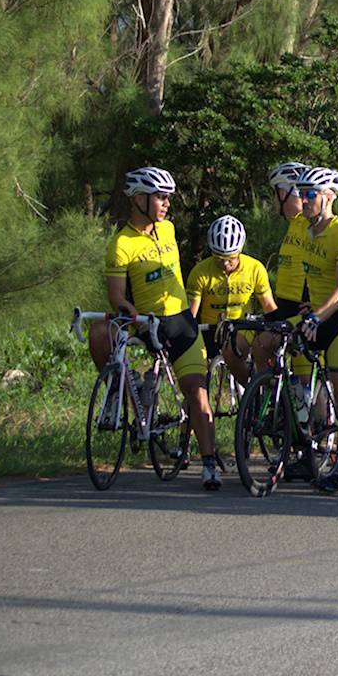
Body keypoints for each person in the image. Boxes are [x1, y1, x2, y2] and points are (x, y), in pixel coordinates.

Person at [91, 168, 217, 489]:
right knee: (99, 333)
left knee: (196, 391)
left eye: (168, 198)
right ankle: (120, 385)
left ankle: (209, 464)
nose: (166, 204)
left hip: (180, 323)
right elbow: (117, 297)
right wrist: (139, 322)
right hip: (144, 321)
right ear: (139, 199)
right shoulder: (121, 244)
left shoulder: (169, 229)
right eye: (161, 197)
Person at [256, 166, 338, 495]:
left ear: (329, 197)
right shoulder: (303, 229)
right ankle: (293, 424)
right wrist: (306, 305)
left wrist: (317, 315)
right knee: (264, 344)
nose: (302, 200)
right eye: (299, 194)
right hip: (315, 311)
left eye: (309, 195)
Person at [186, 215, 277, 404]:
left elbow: (269, 306)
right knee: (194, 379)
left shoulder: (254, 268)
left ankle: (255, 393)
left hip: (241, 328)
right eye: (218, 257)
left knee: (234, 351)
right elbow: (190, 315)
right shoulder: (200, 272)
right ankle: (188, 428)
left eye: (230, 258)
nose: (225, 263)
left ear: (241, 249)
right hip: (209, 330)